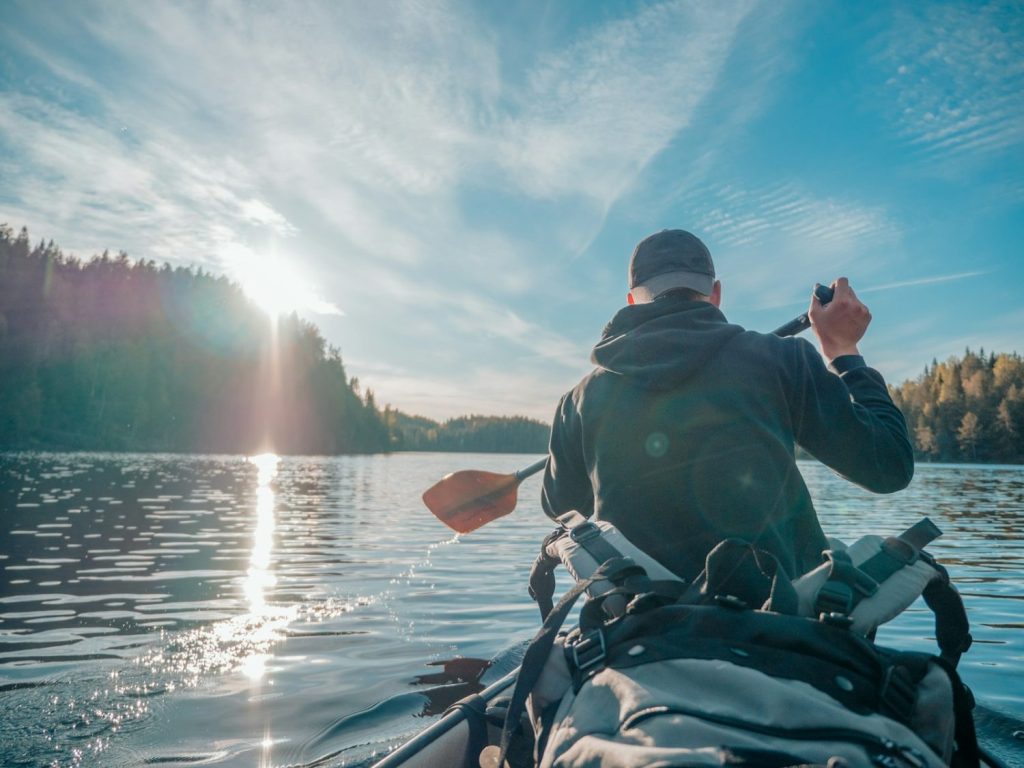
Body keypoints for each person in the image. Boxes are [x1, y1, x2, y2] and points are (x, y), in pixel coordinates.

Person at [541, 229, 914, 581]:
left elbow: (563, 507)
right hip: (776, 619)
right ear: (715, 293)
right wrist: (843, 351)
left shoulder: (578, 400)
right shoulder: (784, 359)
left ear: (632, 299)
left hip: (636, 618)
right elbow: (889, 466)